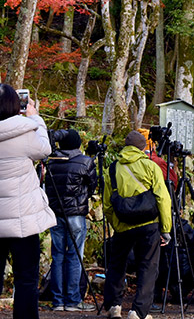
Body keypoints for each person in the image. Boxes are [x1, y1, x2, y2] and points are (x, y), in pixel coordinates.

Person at [0, 84, 57, 319]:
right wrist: (36, 118)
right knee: (26, 278)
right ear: (15, 106)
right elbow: (44, 149)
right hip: (23, 221)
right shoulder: (23, 132)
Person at [102, 130, 172, 319]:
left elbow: (107, 204)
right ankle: (138, 311)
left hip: (123, 225)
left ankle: (114, 306)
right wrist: (166, 229)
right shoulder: (150, 166)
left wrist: (116, 224)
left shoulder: (113, 168)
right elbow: (163, 199)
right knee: (148, 266)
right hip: (149, 224)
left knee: (117, 264)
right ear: (143, 147)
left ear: (125, 146)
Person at [44, 128, 98, 312]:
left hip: (55, 214)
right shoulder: (85, 162)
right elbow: (92, 186)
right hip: (75, 214)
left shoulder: (51, 162)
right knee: (74, 255)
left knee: (57, 255)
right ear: (77, 144)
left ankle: (58, 301)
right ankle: (73, 300)